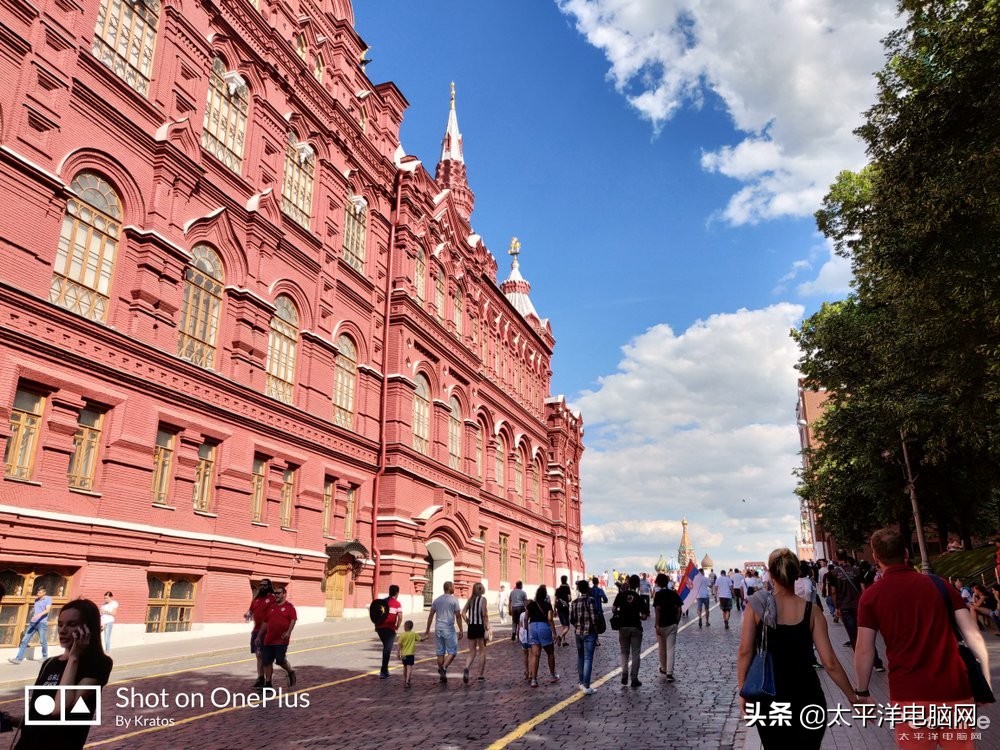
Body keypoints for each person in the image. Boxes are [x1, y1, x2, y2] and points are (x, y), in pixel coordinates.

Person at [856, 526, 991, 750]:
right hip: (954, 689)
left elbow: (864, 649)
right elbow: (972, 634)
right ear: (906, 553)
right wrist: (983, 675)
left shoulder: (871, 597)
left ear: (876, 557)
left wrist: (862, 693)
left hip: (909, 694)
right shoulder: (939, 584)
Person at [737, 548, 855, 750]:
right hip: (807, 696)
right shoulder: (812, 611)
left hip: (769, 698)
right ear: (796, 574)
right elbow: (830, 663)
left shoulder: (755, 607)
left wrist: (743, 691)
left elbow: (745, 652)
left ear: (771, 575)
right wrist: (853, 697)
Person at [10, 598, 113, 750]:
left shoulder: (99, 664)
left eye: (72, 624)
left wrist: (73, 658)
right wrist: (9, 719)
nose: (62, 630)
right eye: (60, 624)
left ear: (88, 629)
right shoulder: (49, 663)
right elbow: (38, 715)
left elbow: (59, 710)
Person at [830, 550, 885, 672]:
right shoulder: (856, 570)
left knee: (854, 636)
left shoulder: (833, 573)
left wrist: (836, 607)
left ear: (836, 557)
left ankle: (862, 664)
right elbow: (863, 589)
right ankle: (877, 663)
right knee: (866, 634)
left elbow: (833, 592)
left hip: (844, 607)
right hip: (859, 605)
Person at [256, 585, 296, 689]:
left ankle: (290, 671)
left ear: (284, 594)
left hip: (281, 640)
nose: (276, 595)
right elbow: (265, 622)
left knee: (280, 660)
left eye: (278, 593)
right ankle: (268, 684)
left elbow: (293, 620)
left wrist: (288, 633)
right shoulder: (271, 607)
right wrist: (259, 636)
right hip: (268, 640)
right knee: (266, 661)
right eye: (275, 593)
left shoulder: (289, 607)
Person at [424, 580, 464, 683]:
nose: (454, 588)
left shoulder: (437, 600)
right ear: (449, 587)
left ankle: (443, 675)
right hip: (449, 628)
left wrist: (427, 630)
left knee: (440, 652)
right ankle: (444, 668)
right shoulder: (454, 600)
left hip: (438, 628)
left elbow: (431, 615)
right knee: (452, 651)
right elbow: (458, 616)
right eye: (453, 586)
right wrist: (461, 629)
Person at [613, 574, 649, 687]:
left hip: (623, 627)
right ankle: (634, 678)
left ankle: (624, 673)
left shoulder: (620, 595)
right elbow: (644, 616)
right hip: (635, 627)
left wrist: (621, 612)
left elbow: (614, 609)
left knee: (624, 652)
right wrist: (638, 615)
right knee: (635, 653)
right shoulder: (639, 598)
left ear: (628, 583)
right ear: (638, 585)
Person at [9, 586, 52, 664]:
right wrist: (33, 616)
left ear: (44, 593)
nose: (38, 594)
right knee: (24, 640)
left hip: (42, 623)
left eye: (40, 593)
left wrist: (39, 615)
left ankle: (45, 656)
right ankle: (18, 659)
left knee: (43, 641)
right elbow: (35, 610)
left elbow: (47, 610)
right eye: (37, 592)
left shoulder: (48, 599)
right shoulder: (36, 600)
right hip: (33, 623)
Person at [526, 584, 559, 687]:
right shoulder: (547, 605)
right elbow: (550, 619)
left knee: (535, 655)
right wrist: (555, 633)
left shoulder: (531, 605)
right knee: (550, 652)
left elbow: (526, 617)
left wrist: (527, 629)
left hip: (533, 627)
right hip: (543, 626)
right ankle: (552, 675)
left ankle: (534, 679)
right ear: (545, 595)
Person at [246, 578, 275, 688]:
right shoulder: (256, 599)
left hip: (268, 631)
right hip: (256, 630)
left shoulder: (272, 598)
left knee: (266, 657)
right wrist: (248, 614)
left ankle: (268, 682)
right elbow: (250, 610)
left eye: (264, 585)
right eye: (261, 585)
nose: (262, 587)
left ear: (269, 586)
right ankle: (260, 678)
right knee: (258, 656)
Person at [569, 579, 597, 694]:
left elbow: (572, 619)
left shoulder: (574, 602)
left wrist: (577, 626)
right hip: (589, 632)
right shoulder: (590, 600)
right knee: (588, 658)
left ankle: (581, 682)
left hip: (578, 633)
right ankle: (586, 685)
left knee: (580, 656)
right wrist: (596, 630)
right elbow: (594, 618)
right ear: (588, 588)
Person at [653, 572, 682, 682]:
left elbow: (657, 610)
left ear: (658, 583)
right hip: (672, 625)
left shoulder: (658, 594)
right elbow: (679, 609)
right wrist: (677, 622)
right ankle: (669, 673)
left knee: (661, 648)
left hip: (661, 624)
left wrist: (656, 624)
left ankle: (663, 668)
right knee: (671, 649)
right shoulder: (673, 593)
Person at [461, 582, 490, 683]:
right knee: (482, 651)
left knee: (471, 651)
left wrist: (468, 621)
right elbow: (484, 613)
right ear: (481, 589)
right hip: (480, 627)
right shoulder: (483, 599)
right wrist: (487, 626)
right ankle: (480, 675)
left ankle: (466, 667)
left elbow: (463, 613)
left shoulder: (471, 599)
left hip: (471, 627)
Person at [374, 584, 403, 679]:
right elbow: (400, 617)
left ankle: (385, 670)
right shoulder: (397, 604)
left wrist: (376, 625)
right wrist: (397, 627)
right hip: (390, 629)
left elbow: (376, 614)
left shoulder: (382, 601)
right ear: (397, 593)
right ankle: (383, 671)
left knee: (386, 647)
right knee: (387, 649)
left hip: (380, 628)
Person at [396, 620, 421, 688]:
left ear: (405, 627)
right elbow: (420, 639)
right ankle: (408, 681)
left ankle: (404, 679)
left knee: (404, 667)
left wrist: (398, 653)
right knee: (409, 667)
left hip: (404, 654)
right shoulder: (413, 634)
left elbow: (399, 644)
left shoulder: (402, 635)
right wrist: (425, 637)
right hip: (411, 654)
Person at [590, 575, 608, 645]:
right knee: (599, 625)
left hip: (591, 610)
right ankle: (596, 639)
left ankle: (593, 639)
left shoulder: (590, 590)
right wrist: (602, 601)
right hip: (598, 610)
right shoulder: (600, 590)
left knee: (592, 625)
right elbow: (605, 599)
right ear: (598, 583)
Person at [554, 575, 572, 647]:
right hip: (565, 608)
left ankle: (564, 641)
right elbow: (570, 599)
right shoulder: (567, 588)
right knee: (567, 626)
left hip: (559, 608)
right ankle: (560, 637)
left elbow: (555, 600)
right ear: (566, 580)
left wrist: (554, 609)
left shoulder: (557, 589)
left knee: (563, 625)